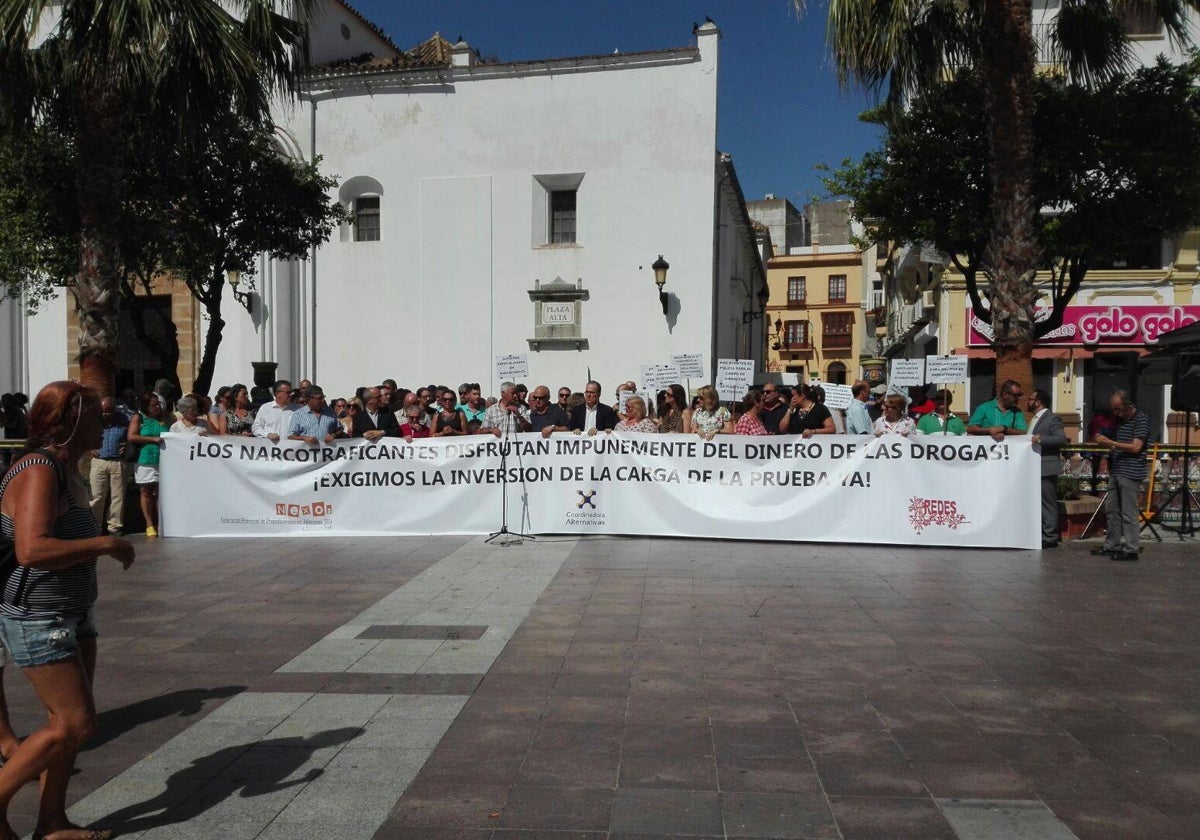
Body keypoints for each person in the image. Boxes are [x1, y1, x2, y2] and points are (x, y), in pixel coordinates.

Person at [0, 381, 135, 840]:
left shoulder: (68, 468)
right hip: (40, 614)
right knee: (77, 722)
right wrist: (106, 543)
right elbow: (31, 549)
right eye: (98, 415)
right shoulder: (39, 470)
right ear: (69, 420)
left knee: (68, 726)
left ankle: (51, 821)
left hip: (74, 612)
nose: (108, 421)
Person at [1092, 390, 1150, 561]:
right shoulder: (1119, 421)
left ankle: (1132, 549)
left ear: (1127, 405)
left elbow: (1136, 447)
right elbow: (1115, 441)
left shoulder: (1141, 419)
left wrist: (1112, 443)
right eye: (1114, 410)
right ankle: (1112, 545)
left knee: (1128, 512)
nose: (1115, 413)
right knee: (1111, 510)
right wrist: (1103, 439)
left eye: (1118, 409)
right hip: (1117, 469)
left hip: (1131, 471)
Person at [1028, 389, 1068, 548]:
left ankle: (1050, 537)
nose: (1028, 401)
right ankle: (1041, 533)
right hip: (1034, 467)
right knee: (1038, 502)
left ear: (1038, 402)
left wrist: (1041, 439)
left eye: (1031, 399)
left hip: (1046, 467)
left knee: (1047, 503)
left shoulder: (1052, 418)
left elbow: (1061, 439)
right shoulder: (1034, 419)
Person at [88, 397, 129, 536]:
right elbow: (83, 436)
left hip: (117, 461)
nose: (105, 415)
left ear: (113, 410)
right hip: (99, 461)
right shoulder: (94, 421)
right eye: (103, 412)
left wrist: (127, 446)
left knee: (118, 496)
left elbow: (130, 436)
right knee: (97, 496)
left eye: (108, 412)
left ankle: (115, 526)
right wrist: (89, 448)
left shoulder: (124, 419)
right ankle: (95, 526)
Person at [128, 393, 167, 537]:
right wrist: (152, 439)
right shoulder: (139, 418)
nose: (157, 407)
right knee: (146, 491)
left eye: (158, 404)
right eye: (154, 404)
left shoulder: (163, 418)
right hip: (145, 459)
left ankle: (161, 522)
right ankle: (149, 524)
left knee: (160, 493)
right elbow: (132, 436)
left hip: (162, 459)